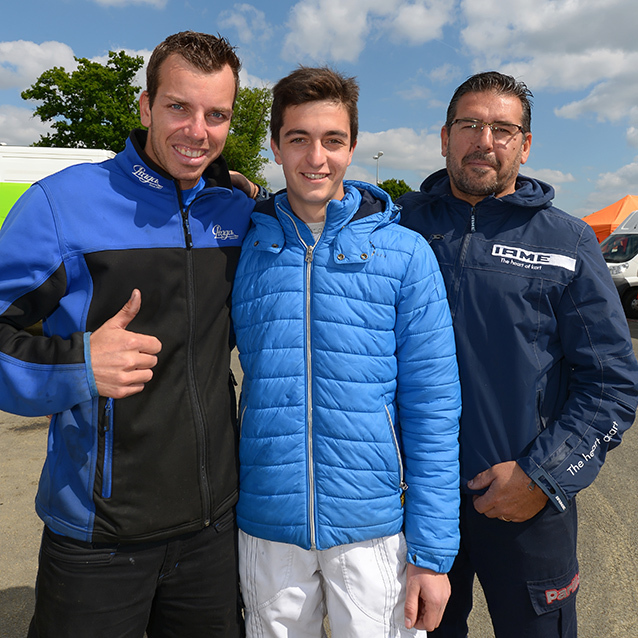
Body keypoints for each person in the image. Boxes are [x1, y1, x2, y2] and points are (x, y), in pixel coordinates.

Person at [0, 31, 256, 637]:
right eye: (178, 108)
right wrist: (78, 366)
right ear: (144, 107)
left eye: (216, 114)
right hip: (98, 540)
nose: (197, 131)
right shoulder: (59, 206)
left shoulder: (237, 213)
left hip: (213, 532)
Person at [396, 71, 638, 638]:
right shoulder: (399, 226)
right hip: (416, 503)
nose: (484, 140)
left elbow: (610, 382)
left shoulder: (567, 241)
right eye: (470, 125)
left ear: (524, 145)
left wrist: (542, 475)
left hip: (526, 503)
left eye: (503, 129)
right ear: (444, 136)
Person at [231, 66, 462, 638]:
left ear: (353, 146)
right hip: (267, 528)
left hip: (374, 529)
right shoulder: (241, 248)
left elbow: (434, 408)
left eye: (333, 140)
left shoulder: (405, 255)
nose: (317, 158)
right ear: (274, 145)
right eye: (298, 139)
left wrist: (432, 552)